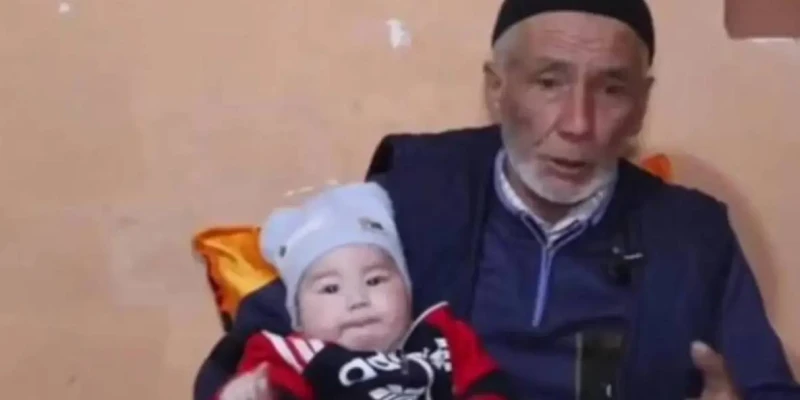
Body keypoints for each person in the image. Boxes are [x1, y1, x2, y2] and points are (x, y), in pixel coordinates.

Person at [195, 0, 800, 398]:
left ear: (641, 106)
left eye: (611, 89)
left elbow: (769, 389)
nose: (578, 124)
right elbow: (255, 347)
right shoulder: (415, 191)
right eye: (548, 82)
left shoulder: (692, 234)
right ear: (496, 90)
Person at [216, 183, 515, 400]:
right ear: (298, 316)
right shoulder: (291, 355)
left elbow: (488, 386)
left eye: (374, 281)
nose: (357, 300)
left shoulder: (444, 336)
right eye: (330, 288)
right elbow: (268, 388)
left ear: (407, 291)